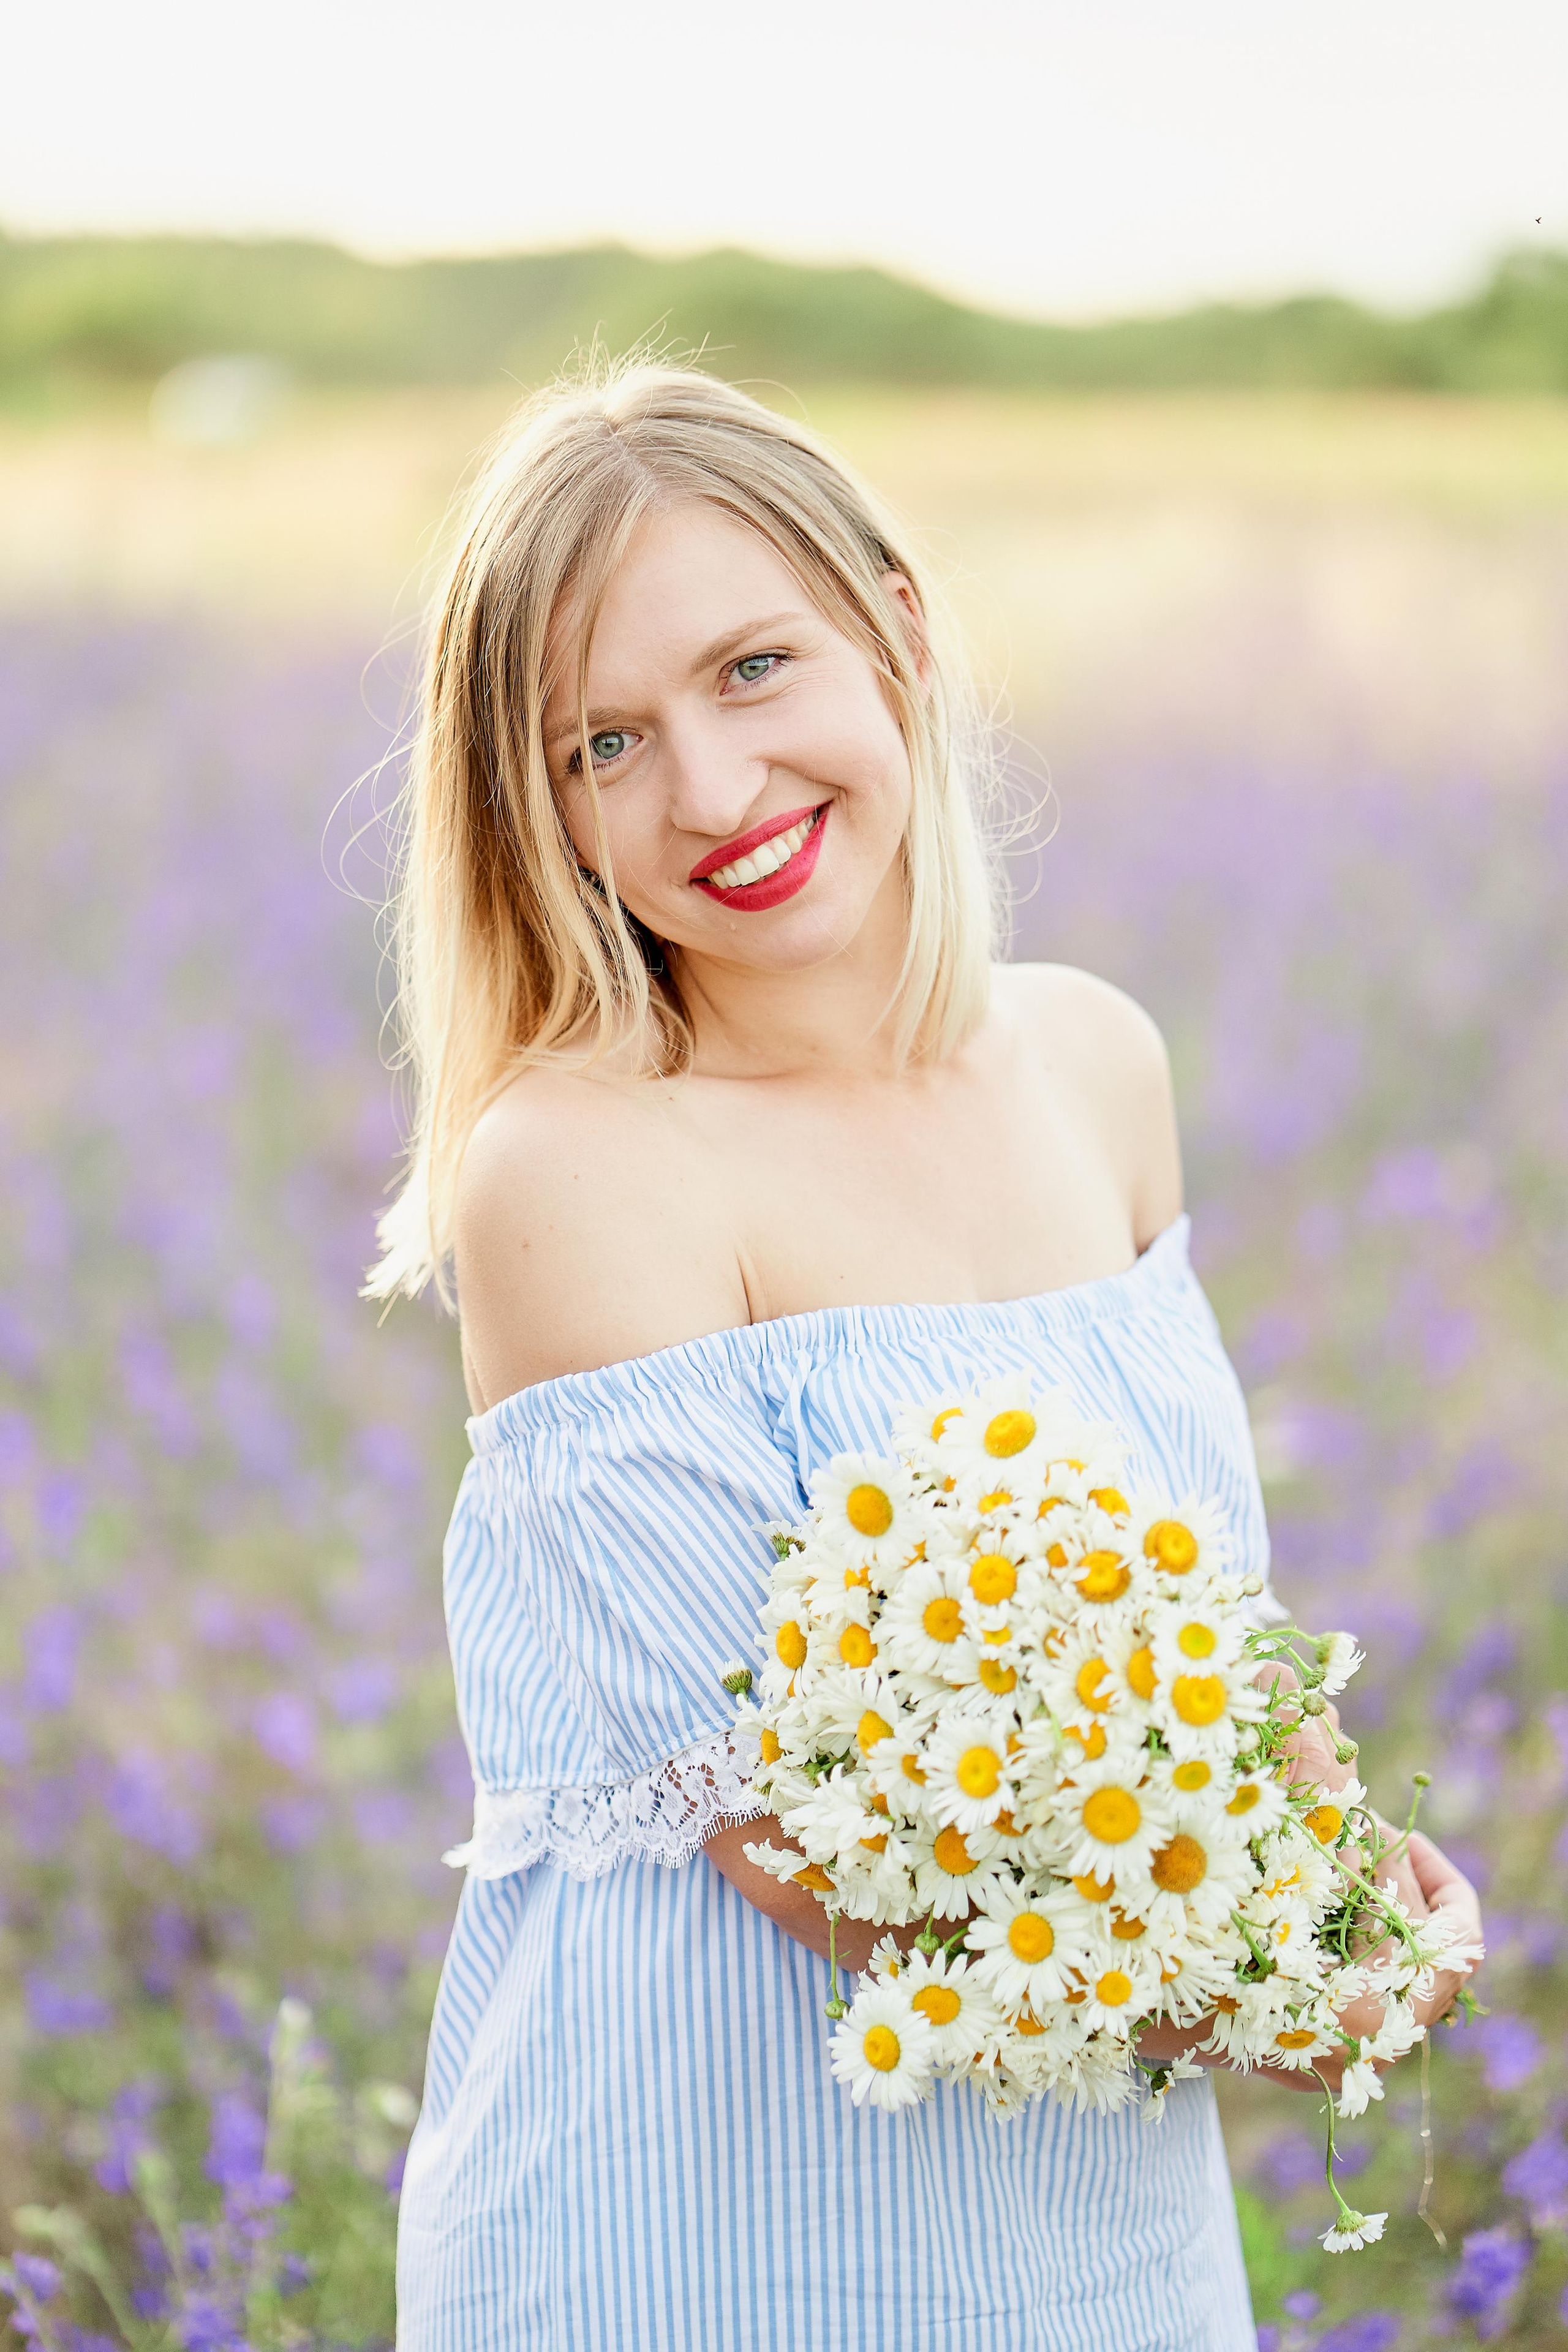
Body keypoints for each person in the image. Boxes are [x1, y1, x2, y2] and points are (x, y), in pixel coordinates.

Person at [366, 361, 1483, 2351]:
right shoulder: (583, 1170)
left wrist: (1342, 1891)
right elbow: (783, 1836)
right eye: (603, 743)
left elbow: (1210, 1648)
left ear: (895, 626)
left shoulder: (1095, 1062)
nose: (714, 793)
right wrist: (1263, 1989)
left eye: (753, 669)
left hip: (1102, 2214)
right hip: (720, 2219)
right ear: (535, 813)